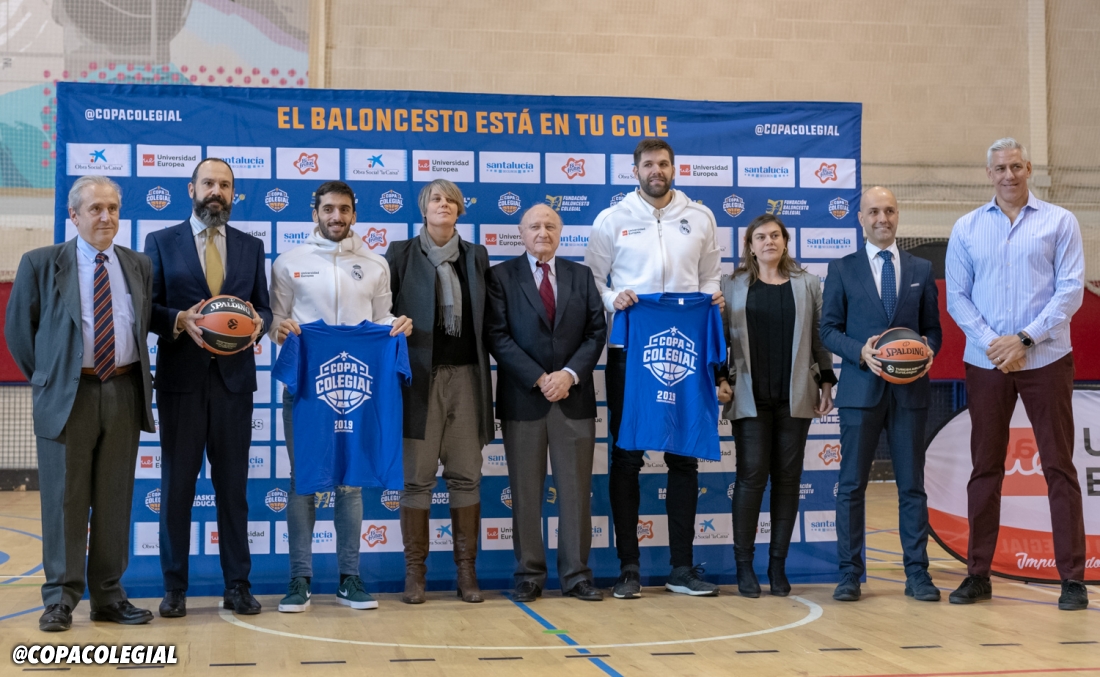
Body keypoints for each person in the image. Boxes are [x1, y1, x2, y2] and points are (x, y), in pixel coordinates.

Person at [6, 176, 155, 631]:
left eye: (113, 208)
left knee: (114, 499)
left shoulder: (138, 264)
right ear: (73, 216)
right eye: (95, 209)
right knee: (65, 501)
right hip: (69, 397)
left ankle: (108, 596)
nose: (106, 217)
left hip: (124, 391)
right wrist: (53, 380)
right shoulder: (40, 263)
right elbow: (19, 334)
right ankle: (60, 599)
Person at [945, 138, 1089, 611]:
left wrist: (1024, 339)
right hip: (987, 360)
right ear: (988, 174)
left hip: (1046, 358)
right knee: (985, 468)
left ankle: (1072, 578)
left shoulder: (1060, 221)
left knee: (1059, 467)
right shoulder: (966, 227)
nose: (1008, 175)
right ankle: (978, 574)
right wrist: (996, 343)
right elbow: (957, 298)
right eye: (1000, 168)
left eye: (1015, 166)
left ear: (1028, 168)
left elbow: (1070, 291)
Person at [585, 138, 724, 598]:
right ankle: (629, 568)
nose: (656, 171)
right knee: (626, 455)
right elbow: (592, 281)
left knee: (684, 454)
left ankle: (681, 567)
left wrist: (711, 298)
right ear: (635, 171)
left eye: (663, 163)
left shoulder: (700, 217)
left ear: (673, 168)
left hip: (686, 347)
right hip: (630, 347)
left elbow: (711, 275)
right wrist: (613, 298)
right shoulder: (612, 219)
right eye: (648, 164)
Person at [269, 180, 413, 613]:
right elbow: (277, 321)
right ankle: (299, 580)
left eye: (344, 209)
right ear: (315, 212)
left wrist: (397, 326)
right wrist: (280, 329)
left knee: (351, 483)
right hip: (306, 389)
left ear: (354, 213)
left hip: (358, 390)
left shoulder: (375, 263)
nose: (336, 216)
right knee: (303, 481)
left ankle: (350, 579)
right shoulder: (289, 262)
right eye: (328, 209)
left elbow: (382, 317)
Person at [145, 157, 272, 617]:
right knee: (177, 487)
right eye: (208, 183)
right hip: (181, 382)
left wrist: (259, 323)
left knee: (233, 490)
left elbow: (264, 308)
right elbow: (147, 308)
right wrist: (178, 319)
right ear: (191, 189)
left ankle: (238, 585)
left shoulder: (251, 246)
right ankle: (174, 588)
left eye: (224, 185)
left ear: (233, 193)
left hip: (234, 384)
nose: (216, 191)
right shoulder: (161, 242)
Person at [820, 185, 942, 603]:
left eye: (889, 210)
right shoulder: (842, 268)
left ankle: (918, 575)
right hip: (860, 391)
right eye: (873, 211)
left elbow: (933, 330)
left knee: (912, 487)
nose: (882, 218)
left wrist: (928, 350)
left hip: (910, 394)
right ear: (861, 218)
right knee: (851, 486)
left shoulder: (921, 268)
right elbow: (828, 329)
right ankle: (849, 575)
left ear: (897, 215)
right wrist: (861, 352)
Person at [485, 204, 607, 602]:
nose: (543, 232)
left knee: (575, 493)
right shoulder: (501, 276)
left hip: (573, 398)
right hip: (524, 399)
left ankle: (576, 576)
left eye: (550, 225)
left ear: (560, 232)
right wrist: (540, 378)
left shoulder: (581, 275)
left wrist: (568, 375)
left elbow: (596, 331)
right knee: (525, 494)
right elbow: (497, 335)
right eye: (535, 226)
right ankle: (529, 575)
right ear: (521, 233)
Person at [385, 179, 493, 604]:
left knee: (466, 475)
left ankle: (467, 573)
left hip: (467, 377)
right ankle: (415, 574)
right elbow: (381, 314)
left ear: (460, 209)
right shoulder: (400, 254)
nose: (443, 204)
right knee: (416, 479)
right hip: (418, 380)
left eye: (451, 199)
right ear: (423, 208)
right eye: (436, 198)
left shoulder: (476, 256)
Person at [717, 214, 835, 598]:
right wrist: (720, 378)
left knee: (787, 480)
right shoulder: (731, 285)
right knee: (751, 477)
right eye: (760, 237)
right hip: (748, 397)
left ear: (785, 241)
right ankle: (744, 567)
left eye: (775, 235)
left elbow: (819, 339)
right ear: (750, 246)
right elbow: (720, 339)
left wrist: (827, 381)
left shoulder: (808, 284)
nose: (768, 241)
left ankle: (777, 566)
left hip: (795, 397)